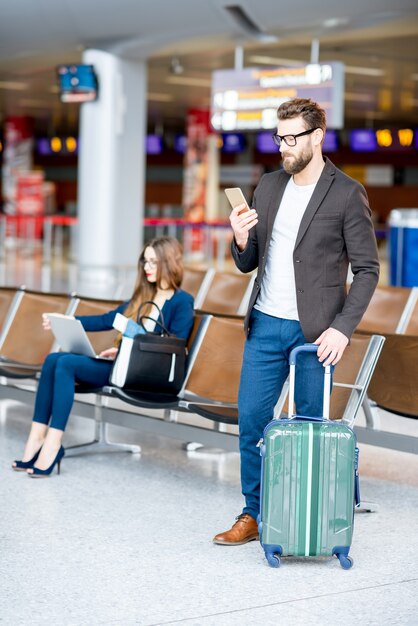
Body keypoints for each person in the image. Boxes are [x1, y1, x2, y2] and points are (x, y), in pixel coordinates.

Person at [213, 98, 379, 545]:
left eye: (292, 138)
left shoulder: (346, 192)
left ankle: (301, 518)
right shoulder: (267, 186)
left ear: (318, 136)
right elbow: (249, 262)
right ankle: (253, 511)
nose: (283, 146)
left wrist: (342, 329)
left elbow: (367, 270)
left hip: (316, 333)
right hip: (266, 323)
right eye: (279, 137)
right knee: (251, 420)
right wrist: (241, 238)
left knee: (307, 428)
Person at [12, 236, 194, 478]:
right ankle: (36, 439)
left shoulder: (182, 302)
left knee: (66, 363)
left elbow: (175, 346)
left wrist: (128, 349)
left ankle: (53, 444)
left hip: (146, 374)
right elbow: (107, 319)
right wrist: (69, 321)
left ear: (169, 263)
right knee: (53, 359)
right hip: (123, 365)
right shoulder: (142, 296)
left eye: (153, 262)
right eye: (145, 262)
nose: (147, 268)